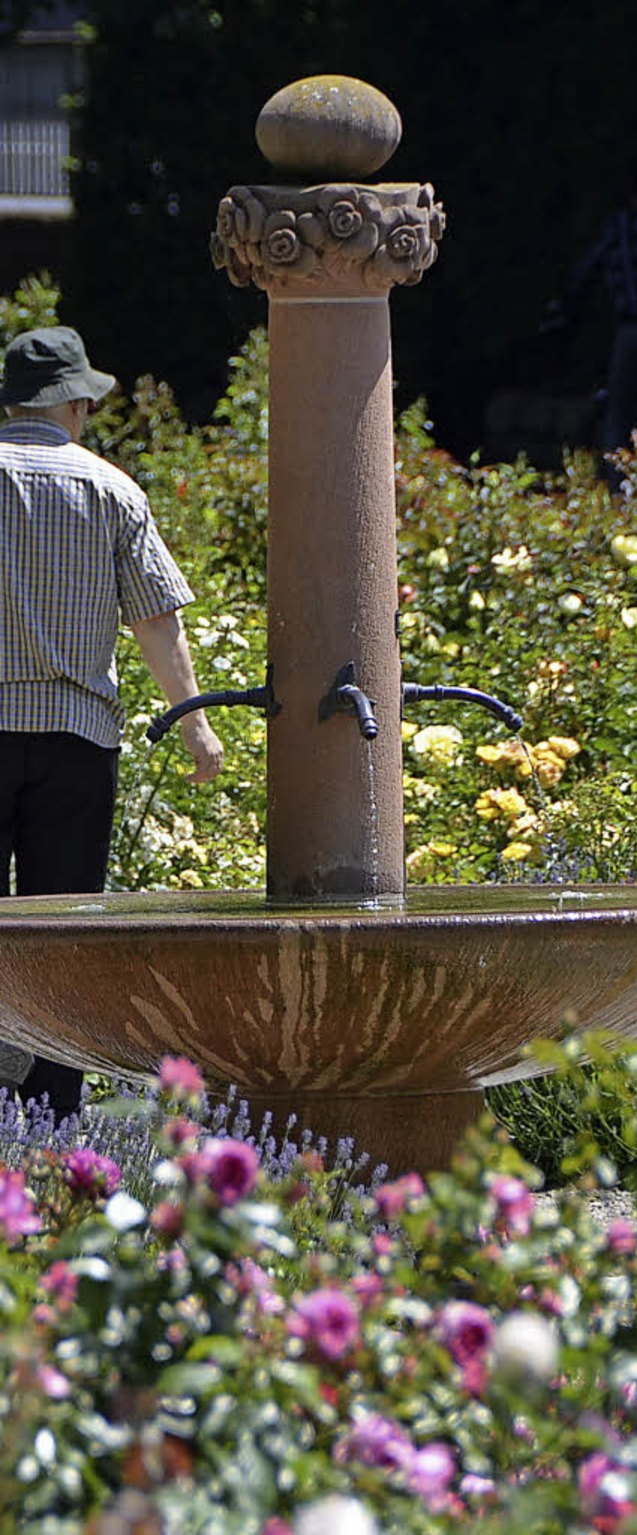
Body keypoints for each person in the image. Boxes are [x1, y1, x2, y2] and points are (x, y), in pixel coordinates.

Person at [0, 325, 224, 1118]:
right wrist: (194, 724)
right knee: (63, 931)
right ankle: (56, 1111)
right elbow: (156, 621)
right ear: (75, 401)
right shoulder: (110, 489)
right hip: (76, 741)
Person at [541, 171, 637, 457]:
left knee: (619, 412)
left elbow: (585, 271)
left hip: (628, 327)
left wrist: (563, 307)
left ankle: (619, 485)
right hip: (627, 327)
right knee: (620, 408)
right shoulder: (621, 228)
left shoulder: (617, 227)